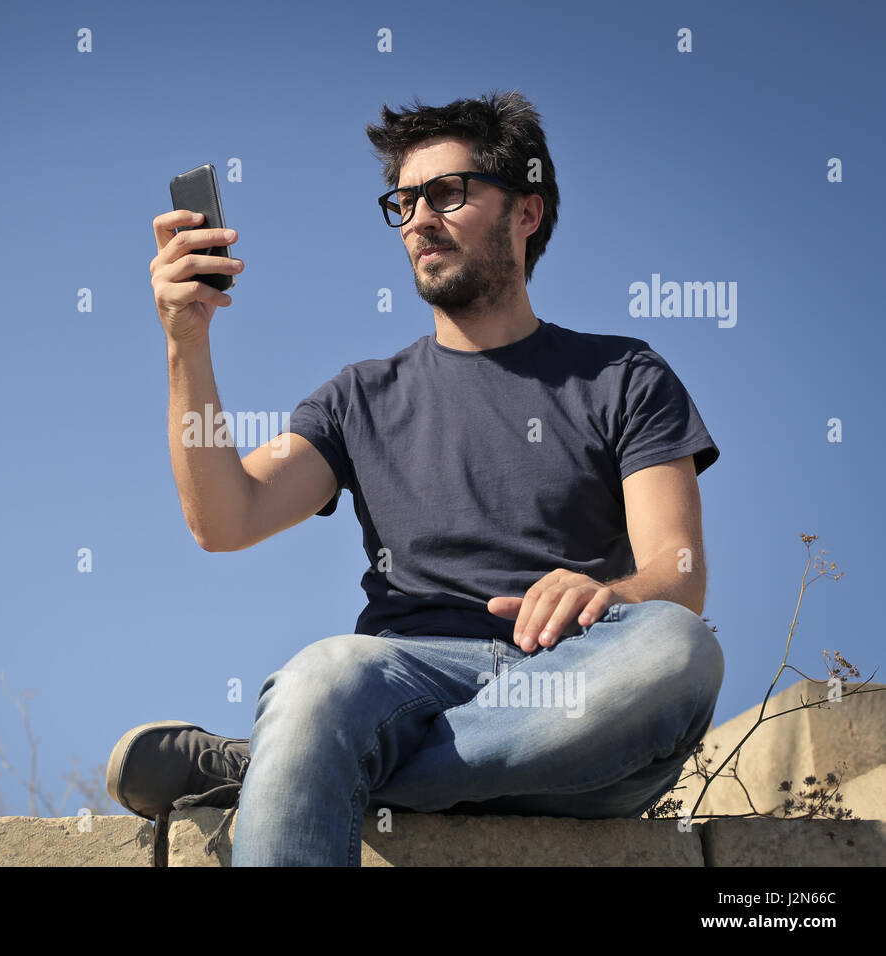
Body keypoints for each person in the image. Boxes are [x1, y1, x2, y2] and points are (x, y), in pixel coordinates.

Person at [108, 89, 725, 866]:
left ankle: (291, 762)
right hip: (403, 682)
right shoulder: (359, 396)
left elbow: (677, 573)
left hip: (573, 700)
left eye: (447, 193)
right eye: (402, 202)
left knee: (678, 648)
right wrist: (185, 342)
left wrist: (611, 594)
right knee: (324, 674)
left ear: (527, 212)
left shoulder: (623, 374)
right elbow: (225, 521)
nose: (418, 219)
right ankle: (316, 747)